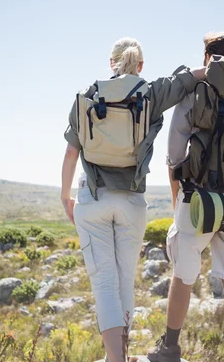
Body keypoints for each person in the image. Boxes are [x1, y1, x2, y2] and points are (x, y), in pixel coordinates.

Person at [60, 37, 205, 362]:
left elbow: (71, 152)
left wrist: (64, 196)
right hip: (132, 203)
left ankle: (116, 359)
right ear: (140, 66)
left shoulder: (87, 96)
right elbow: (193, 77)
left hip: (92, 199)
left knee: (105, 284)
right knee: (125, 281)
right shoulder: (150, 93)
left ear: (111, 62)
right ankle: (120, 356)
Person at [147, 32, 224, 362]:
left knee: (183, 274)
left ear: (207, 57)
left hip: (200, 199)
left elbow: (173, 155)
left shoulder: (198, 89)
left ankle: (169, 348)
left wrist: (176, 200)